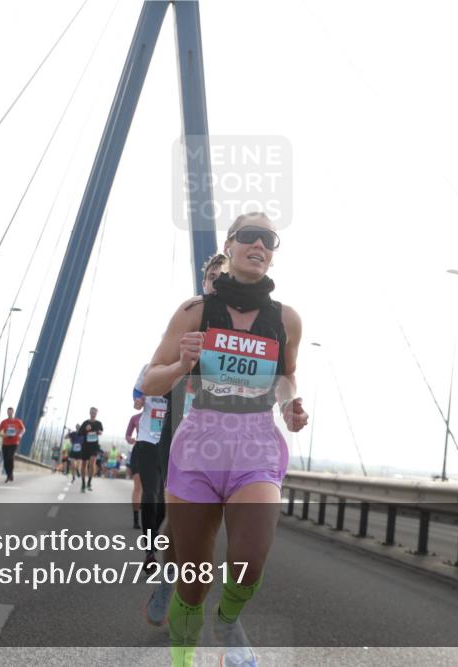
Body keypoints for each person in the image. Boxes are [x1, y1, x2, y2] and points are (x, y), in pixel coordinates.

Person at [142, 213, 308, 666]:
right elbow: (148, 379)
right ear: (230, 245)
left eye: (268, 239)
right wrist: (180, 367)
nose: (260, 244)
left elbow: (286, 377)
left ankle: (229, 618)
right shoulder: (195, 311)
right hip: (199, 444)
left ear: (272, 253)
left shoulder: (286, 320)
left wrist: (290, 405)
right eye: (249, 236)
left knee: (249, 559)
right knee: (192, 582)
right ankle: (182, 659)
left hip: (256, 444)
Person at [144, 252, 225, 626]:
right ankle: (170, 586)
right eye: (212, 276)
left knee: (203, 529)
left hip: (226, 448)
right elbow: (150, 379)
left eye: (224, 275)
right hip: (180, 439)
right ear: (204, 282)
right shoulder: (189, 323)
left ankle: (181, 587)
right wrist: (180, 366)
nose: (218, 281)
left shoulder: (254, 329)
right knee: (182, 523)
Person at [130, 365, 169, 570]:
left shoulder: (188, 369)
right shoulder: (150, 368)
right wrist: (138, 401)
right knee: (150, 494)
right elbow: (137, 391)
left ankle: (153, 537)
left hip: (171, 444)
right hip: (147, 442)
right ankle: (150, 552)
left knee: (163, 504)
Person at [76, 407, 103, 492]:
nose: (93, 413)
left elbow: (101, 432)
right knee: (84, 464)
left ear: (96, 413)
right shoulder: (85, 423)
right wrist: (85, 429)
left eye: (94, 412)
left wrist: (98, 432)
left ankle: (89, 482)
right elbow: (79, 433)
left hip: (94, 446)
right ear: (89, 413)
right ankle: (83, 483)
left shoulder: (99, 423)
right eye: (92, 412)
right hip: (85, 446)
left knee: (92, 462)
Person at [125, 403, 143, 527]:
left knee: (154, 490)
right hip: (139, 450)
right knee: (138, 486)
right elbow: (127, 435)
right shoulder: (135, 418)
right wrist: (130, 439)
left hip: (157, 452)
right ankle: (136, 519)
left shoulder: (162, 416)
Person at [0, 407, 25, 483]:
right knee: (6, 460)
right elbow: (0, 431)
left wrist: (20, 435)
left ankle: (9, 475)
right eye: (8, 412)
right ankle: (9, 474)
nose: (9, 413)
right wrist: (3, 435)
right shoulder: (4, 422)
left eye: (11, 412)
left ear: (13, 412)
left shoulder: (18, 421)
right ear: (7, 412)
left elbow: (23, 429)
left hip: (14, 442)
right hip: (5, 442)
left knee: (10, 457)